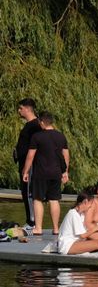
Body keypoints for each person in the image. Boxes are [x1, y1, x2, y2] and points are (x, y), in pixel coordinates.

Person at [21, 111, 69, 235]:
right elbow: (66, 155)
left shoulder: (37, 136)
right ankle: (56, 228)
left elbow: (30, 156)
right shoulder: (61, 136)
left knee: (37, 199)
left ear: (42, 122)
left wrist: (25, 171)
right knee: (54, 200)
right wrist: (65, 172)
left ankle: (38, 228)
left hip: (40, 173)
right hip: (56, 173)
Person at [14, 98, 42, 229]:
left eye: (20, 108)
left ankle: (32, 222)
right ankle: (30, 219)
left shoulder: (35, 125)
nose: (19, 111)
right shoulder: (29, 125)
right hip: (24, 164)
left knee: (29, 192)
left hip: (30, 165)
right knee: (25, 191)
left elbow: (35, 147)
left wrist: (28, 166)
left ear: (27, 109)